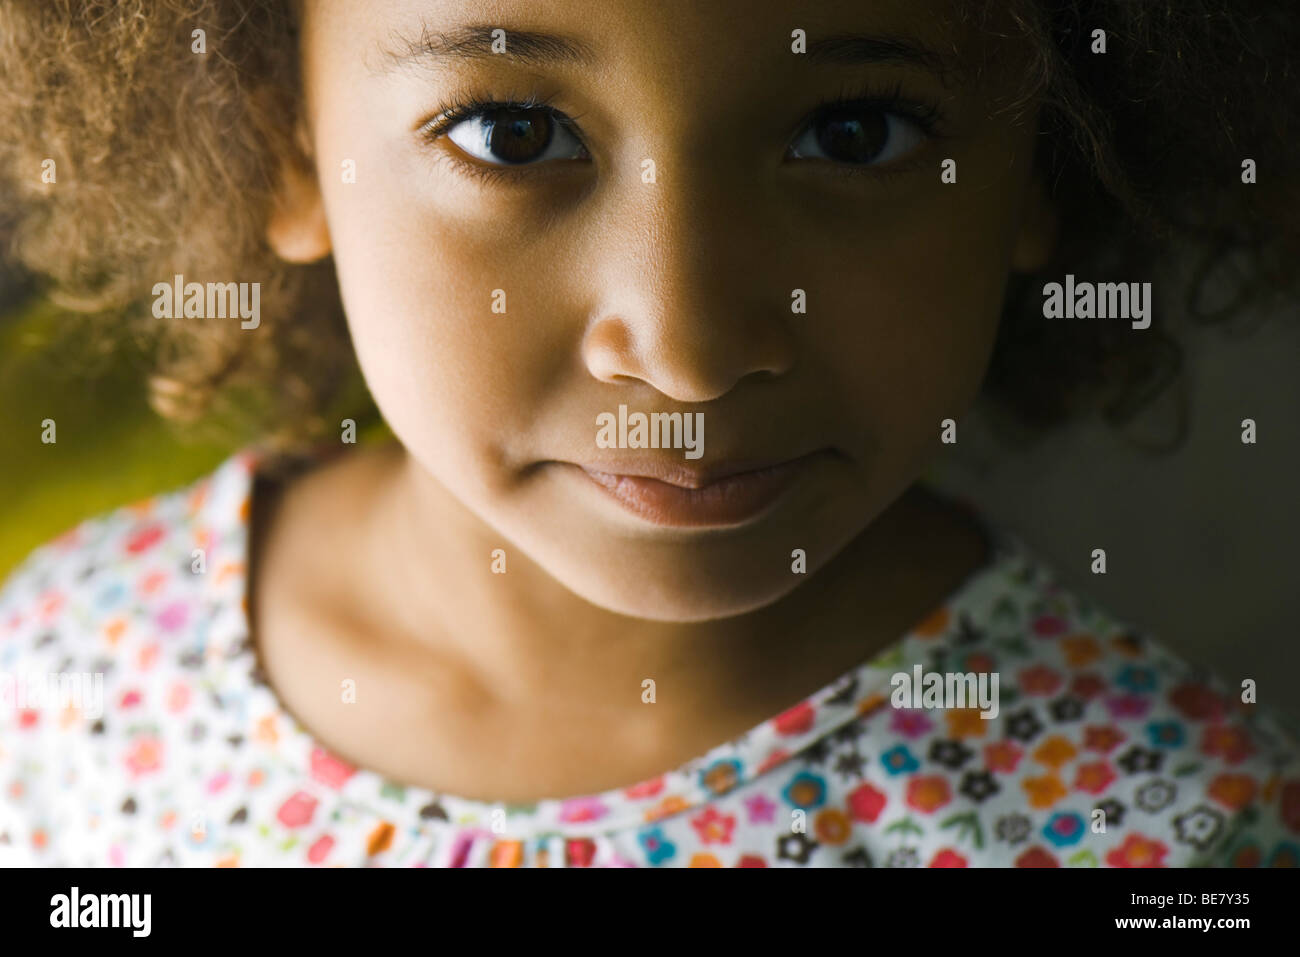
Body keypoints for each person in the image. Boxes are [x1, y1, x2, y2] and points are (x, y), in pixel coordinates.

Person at [0, 0, 1296, 867]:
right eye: (515, 133)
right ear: (282, 143)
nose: (686, 345)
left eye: (854, 133)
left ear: (1048, 162)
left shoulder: (1174, 830)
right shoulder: (67, 681)